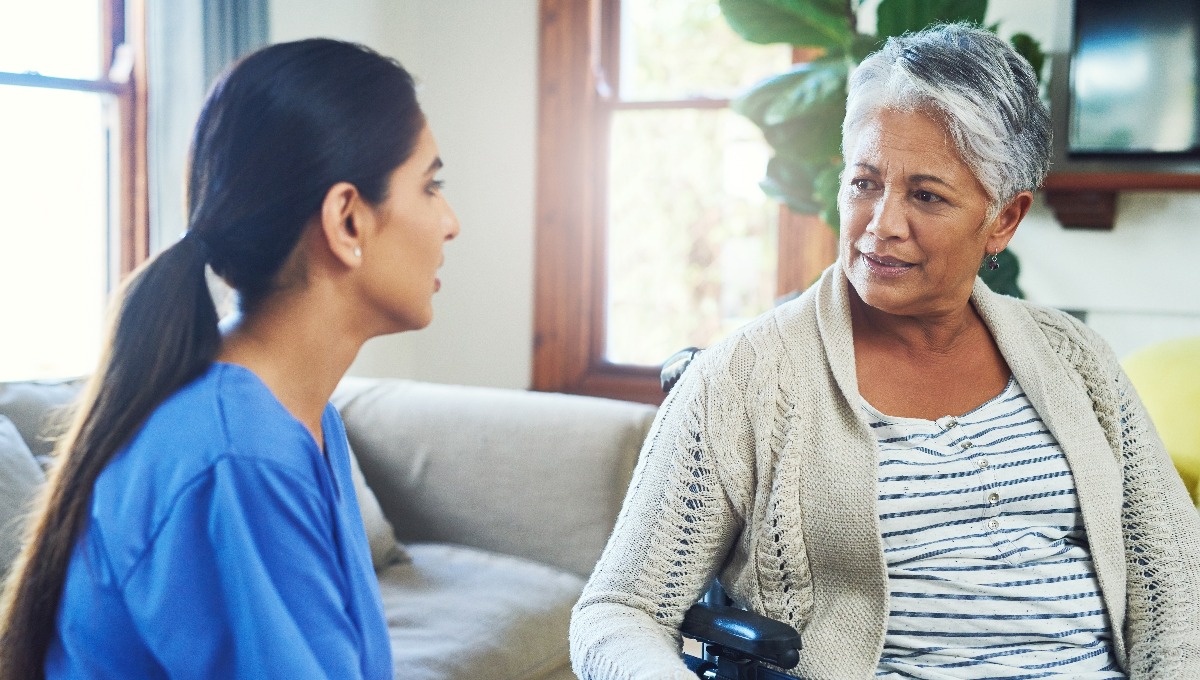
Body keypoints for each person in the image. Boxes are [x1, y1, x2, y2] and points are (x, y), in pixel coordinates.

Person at [570, 23, 1200, 679]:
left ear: (1004, 220)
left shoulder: (1076, 360)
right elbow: (617, 611)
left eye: (926, 195)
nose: (881, 224)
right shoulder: (747, 377)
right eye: (865, 183)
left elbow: (1179, 582)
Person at [0, 38, 459, 679]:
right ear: (347, 221)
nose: (451, 222)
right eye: (431, 186)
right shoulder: (236, 455)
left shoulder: (298, 418)